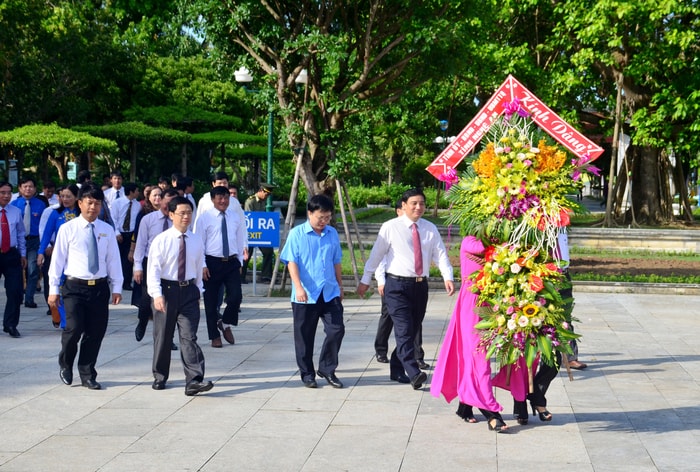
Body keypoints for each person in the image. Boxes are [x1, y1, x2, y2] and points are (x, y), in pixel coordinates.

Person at [357, 188, 455, 390]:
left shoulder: (429, 228)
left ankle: (396, 367)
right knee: (402, 330)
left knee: (410, 331)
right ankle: (414, 372)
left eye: (422, 203)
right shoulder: (390, 227)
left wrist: (448, 276)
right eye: (414, 203)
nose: (419, 207)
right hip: (396, 286)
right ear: (403, 206)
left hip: (420, 286)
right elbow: (376, 254)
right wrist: (367, 279)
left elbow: (440, 254)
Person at [430, 235, 509, 432]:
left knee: (474, 356)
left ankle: (464, 407)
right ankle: (491, 412)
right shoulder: (471, 242)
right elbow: (487, 248)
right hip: (473, 306)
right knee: (479, 358)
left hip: (492, 306)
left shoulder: (497, 243)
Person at [48, 183, 123, 390]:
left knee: (95, 332)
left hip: (98, 288)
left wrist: (117, 286)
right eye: (89, 203)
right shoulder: (67, 229)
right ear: (80, 203)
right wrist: (53, 290)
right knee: (73, 329)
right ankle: (65, 364)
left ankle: (87, 373)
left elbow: (113, 260)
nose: (93, 207)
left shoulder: (106, 230)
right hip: (74, 287)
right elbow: (57, 261)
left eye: (97, 203)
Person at [147, 196, 213, 396]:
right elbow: (154, 270)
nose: (186, 217)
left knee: (189, 337)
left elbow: (199, 266)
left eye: (189, 213)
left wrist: (198, 291)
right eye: (182, 213)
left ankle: (194, 380)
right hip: (166, 291)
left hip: (189, 292)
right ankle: (160, 376)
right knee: (163, 337)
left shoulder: (196, 240)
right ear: (171, 214)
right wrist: (157, 295)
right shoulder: (162, 240)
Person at [279, 194, 345, 389]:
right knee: (304, 337)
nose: (323, 221)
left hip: (329, 291)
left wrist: (340, 286)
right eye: (320, 217)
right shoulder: (297, 234)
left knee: (337, 330)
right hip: (306, 294)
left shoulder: (332, 233)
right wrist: (298, 287)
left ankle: (327, 368)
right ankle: (307, 374)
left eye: (327, 217)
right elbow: (292, 262)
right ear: (309, 213)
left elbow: (337, 261)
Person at [373, 199, 430, 369]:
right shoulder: (390, 229)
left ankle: (416, 354)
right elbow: (380, 259)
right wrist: (381, 281)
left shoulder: (418, 230)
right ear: (401, 209)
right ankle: (381, 349)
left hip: (414, 284)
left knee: (413, 322)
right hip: (392, 284)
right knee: (388, 318)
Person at [194, 186, 246, 348]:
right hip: (211, 262)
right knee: (210, 302)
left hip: (231, 262)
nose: (223, 201)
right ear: (213, 200)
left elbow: (239, 239)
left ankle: (225, 322)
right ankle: (214, 336)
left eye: (226, 198)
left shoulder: (235, 217)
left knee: (236, 296)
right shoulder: (204, 218)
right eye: (219, 198)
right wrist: (202, 265)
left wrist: (240, 262)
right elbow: (198, 243)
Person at [133, 188, 179, 344]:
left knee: (170, 303)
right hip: (150, 263)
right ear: (161, 201)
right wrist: (137, 267)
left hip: (171, 264)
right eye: (167, 202)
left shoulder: (178, 221)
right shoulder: (148, 219)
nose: (169, 206)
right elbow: (140, 244)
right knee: (147, 299)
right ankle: (142, 321)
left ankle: (168, 338)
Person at [37, 184, 80, 328]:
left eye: (69, 196)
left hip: (79, 257)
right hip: (60, 255)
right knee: (59, 289)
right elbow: (47, 234)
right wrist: (41, 252)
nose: (65, 199)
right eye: (62, 196)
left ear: (76, 197)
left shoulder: (83, 214)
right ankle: (64, 321)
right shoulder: (55, 213)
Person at [11, 177, 48, 309]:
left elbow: (44, 226)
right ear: (20, 189)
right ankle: (18, 296)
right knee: (17, 271)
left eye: (31, 187)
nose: (28, 189)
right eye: (25, 186)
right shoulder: (14, 205)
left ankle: (29, 298)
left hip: (34, 241)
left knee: (33, 270)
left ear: (35, 189)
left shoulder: (41, 204)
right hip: (17, 242)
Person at [0, 181, 27, 338]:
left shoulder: (15, 211)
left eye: (9, 192)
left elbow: (20, 234)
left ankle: (10, 324)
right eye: (3, 192)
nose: (6, 196)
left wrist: (22, 254)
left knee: (15, 291)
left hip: (11, 254)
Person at [111, 182, 141, 291]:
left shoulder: (137, 205)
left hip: (131, 234)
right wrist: (116, 232)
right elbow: (113, 218)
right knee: (118, 259)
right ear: (131, 192)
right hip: (120, 234)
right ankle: (117, 281)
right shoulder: (117, 203)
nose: (138, 193)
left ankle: (127, 282)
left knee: (129, 259)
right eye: (137, 190)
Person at [243, 183, 275, 282]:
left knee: (268, 251)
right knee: (247, 254)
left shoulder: (263, 202)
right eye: (266, 194)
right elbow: (249, 218)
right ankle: (241, 276)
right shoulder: (250, 201)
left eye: (269, 195)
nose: (267, 196)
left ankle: (266, 276)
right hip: (250, 233)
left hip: (261, 233)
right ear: (261, 191)